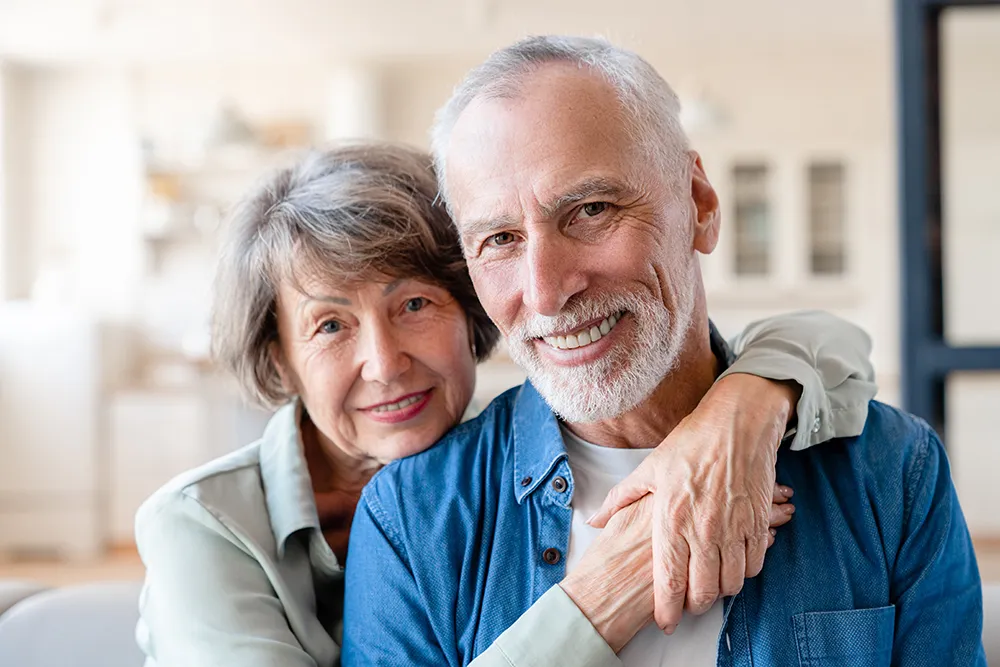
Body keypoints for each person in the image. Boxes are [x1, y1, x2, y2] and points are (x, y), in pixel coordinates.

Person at [342, 36, 984, 666]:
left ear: (700, 205)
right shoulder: (413, 519)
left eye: (591, 210)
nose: (545, 292)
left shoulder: (891, 472)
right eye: (501, 239)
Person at [135, 144, 877, 667]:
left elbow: (827, 344)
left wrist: (744, 405)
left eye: (415, 303)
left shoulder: (492, 456)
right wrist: (613, 581)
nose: (386, 362)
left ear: (474, 308)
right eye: (330, 325)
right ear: (278, 356)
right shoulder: (200, 524)